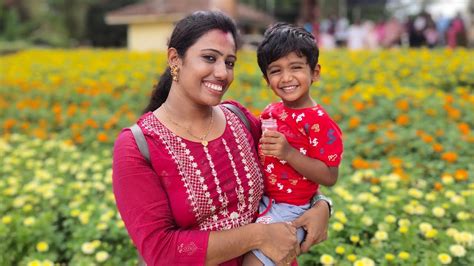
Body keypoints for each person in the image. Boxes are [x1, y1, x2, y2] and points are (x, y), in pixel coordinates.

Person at [112, 11, 333, 266]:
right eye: (209, 58)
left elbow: (290, 171)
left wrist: (321, 205)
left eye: (229, 63)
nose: (222, 73)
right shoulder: (138, 146)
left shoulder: (240, 120)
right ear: (175, 58)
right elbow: (161, 251)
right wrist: (257, 236)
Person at [242, 23, 343, 266]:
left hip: (293, 209)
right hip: (263, 201)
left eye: (296, 68)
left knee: (254, 262)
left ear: (315, 72)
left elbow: (329, 176)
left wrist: (288, 152)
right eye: (275, 71)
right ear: (266, 79)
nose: (286, 78)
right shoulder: (270, 112)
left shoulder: (320, 122)